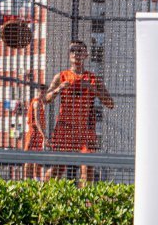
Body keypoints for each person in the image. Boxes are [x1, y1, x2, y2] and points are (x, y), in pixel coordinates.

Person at [45, 40, 113, 184]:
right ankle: (44, 196)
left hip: (86, 129)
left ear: (86, 55)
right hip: (65, 128)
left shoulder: (93, 78)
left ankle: (85, 204)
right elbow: (46, 99)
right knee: (58, 167)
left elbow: (110, 103)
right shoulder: (61, 76)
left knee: (87, 166)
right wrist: (58, 89)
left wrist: (92, 88)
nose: (76, 53)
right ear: (69, 55)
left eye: (80, 51)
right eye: (73, 50)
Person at [23, 86, 49, 180]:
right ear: (38, 92)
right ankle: (27, 179)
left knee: (36, 157)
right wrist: (44, 136)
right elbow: (37, 121)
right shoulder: (36, 102)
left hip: (38, 134)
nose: (43, 95)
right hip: (33, 133)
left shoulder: (40, 103)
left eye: (44, 93)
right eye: (42, 92)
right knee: (29, 157)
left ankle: (36, 178)